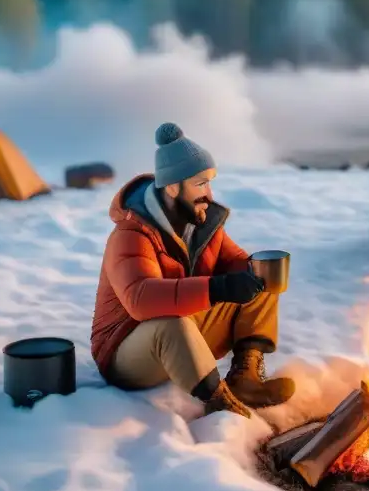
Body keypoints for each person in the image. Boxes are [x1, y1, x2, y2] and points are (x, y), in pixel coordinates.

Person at [91, 122, 295, 418]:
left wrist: (255, 275)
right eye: (201, 184)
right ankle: (219, 401)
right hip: (128, 352)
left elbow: (235, 261)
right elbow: (141, 299)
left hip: (183, 338)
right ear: (173, 187)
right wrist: (218, 288)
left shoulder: (201, 223)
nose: (209, 195)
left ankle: (245, 379)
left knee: (260, 282)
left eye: (209, 183)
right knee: (173, 325)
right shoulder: (130, 235)